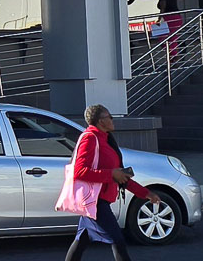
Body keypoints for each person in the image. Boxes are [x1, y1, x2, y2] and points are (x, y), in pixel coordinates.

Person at [65, 104, 153, 261]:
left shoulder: (106, 139)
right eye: (110, 117)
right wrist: (111, 174)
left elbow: (121, 177)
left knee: (81, 241)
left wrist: (146, 193)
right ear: (101, 121)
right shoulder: (90, 138)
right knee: (117, 240)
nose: (113, 120)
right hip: (95, 201)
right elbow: (80, 171)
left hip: (99, 199)